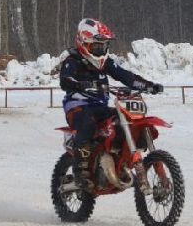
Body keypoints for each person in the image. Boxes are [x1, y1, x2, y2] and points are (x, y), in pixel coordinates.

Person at [60, 18, 163, 182]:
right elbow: (65, 80)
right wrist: (81, 84)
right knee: (88, 124)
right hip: (78, 107)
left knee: (124, 120)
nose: (101, 49)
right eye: (97, 45)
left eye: (104, 46)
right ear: (84, 43)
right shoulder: (73, 60)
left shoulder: (105, 63)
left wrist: (149, 85)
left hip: (100, 107)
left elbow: (126, 76)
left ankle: (119, 161)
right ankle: (81, 170)